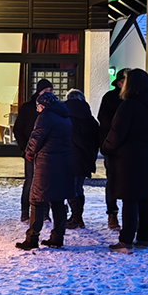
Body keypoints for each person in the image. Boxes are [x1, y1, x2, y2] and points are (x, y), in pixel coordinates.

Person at [102, 68, 148, 251]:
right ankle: (143, 237)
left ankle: (126, 240)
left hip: (128, 158)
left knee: (129, 199)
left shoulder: (128, 105)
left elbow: (117, 132)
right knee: (145, 198)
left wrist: (105, 147)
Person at [16, 91, 74, 250]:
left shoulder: (46, 117)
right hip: (63, 163)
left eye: (38, 106)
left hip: (46, 164)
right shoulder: (65, 117)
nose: (37, 109)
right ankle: (57, 237)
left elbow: (36, 138)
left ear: (44, 105)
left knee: (37, 200)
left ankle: (32, 238)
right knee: (58, 201)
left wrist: (28, 153)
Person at [13, 79, 53, 222]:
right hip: (31, 151)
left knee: (46, 182)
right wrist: (25, 148)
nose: (49, 93)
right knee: (30, 182)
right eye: (46, 90)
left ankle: (44, 212)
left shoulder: (52, 108)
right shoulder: (27, 108)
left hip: (47, 151)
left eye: (50, 90)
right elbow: (18, 129)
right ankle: (25, 211)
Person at [98, 68, 129, 231]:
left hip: (128, 148)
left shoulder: (134, 98)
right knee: (112, 179)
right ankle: (112, 213)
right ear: (119, 83)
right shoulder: (110, 98)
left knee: (129, 181)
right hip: (113, 146)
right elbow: (103, 121)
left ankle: (129, 214)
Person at [64, 89, 99, 229]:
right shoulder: (90, 119)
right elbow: (97, 140)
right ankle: (77, 217)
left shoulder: (64, 116)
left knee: (69, 188)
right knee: (78, 187)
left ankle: (76, 218)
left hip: (69, 156)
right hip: (85, 158)